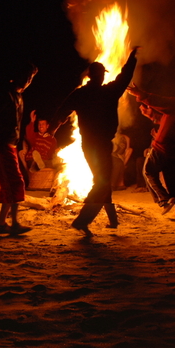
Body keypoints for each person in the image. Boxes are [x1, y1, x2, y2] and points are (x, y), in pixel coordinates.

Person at [54, 47, 139, 236]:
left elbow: (62, 111)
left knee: (103, 181)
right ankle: (82, 220)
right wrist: (132, 58)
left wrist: (54, 128)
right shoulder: (109, 92)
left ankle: (113, 221)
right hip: (100, 144)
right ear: (101, 76)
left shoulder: (80, 93)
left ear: (90, 75)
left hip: (88, 145)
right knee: (101, 183)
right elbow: (125, 77)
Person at [127, 84, 175, 219]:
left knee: (148, 171)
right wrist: (150, 114)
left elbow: (161, 101)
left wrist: (140, 93)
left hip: (162, 147)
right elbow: (167, 119)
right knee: (173, 180)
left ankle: (163, 200)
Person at [0, 62, 38, 235]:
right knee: (14, 182)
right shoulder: (6, 95)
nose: (28, 80)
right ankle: (11, 223)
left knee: (13, 184)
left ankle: (4, 224)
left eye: (31, 78)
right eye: (26, 76)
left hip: (11, 145)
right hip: (1, 144)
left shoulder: (19, 96)